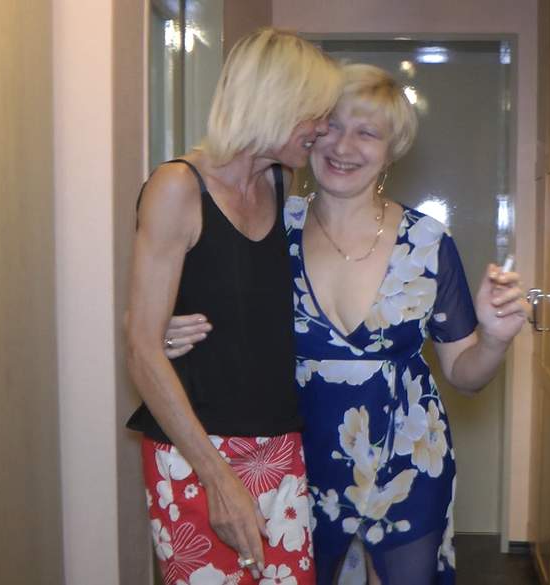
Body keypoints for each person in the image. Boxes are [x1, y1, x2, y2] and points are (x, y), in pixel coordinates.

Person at [165, 63, 527, 584]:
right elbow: (223, 320)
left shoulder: (427, 242)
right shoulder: (271, 228)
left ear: (391, 150)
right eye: (332, 125)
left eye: (367, 132)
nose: (343, 145)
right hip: (295, 463)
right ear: (309, 131)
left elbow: (465, 375)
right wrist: (173, 331)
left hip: (410, 463)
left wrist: (492, 339)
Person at [125, 28, 342, 585]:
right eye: (315, 113)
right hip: (195, 450)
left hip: (279, 442)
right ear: (275, 101)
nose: (323, 128)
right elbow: (143, 350)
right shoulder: (177, 188)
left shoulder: (280, 179)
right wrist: (218, 479)